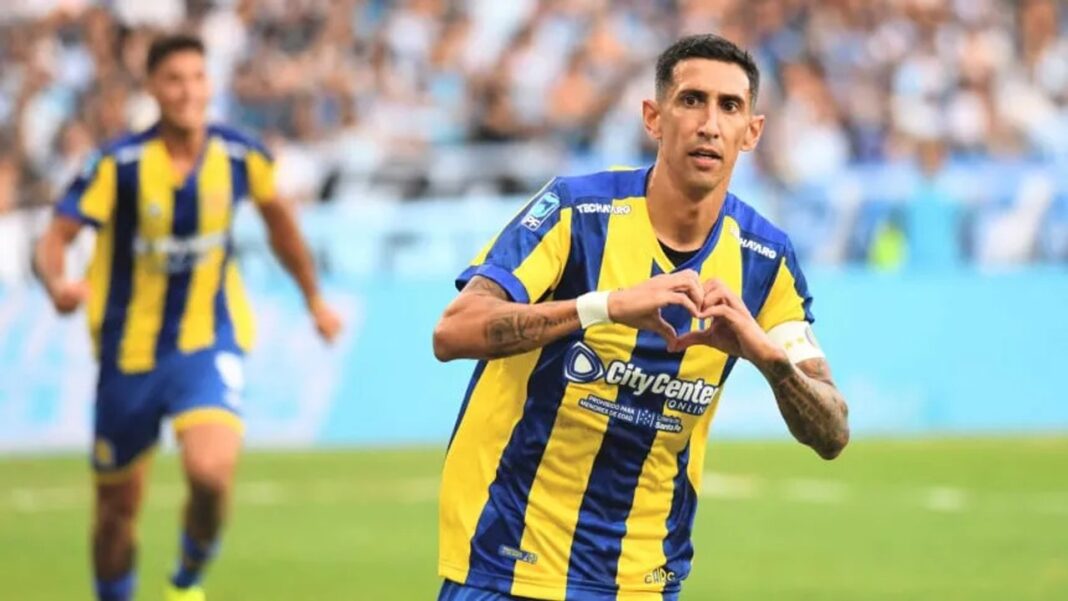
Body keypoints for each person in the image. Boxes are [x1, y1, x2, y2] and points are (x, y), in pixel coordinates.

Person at [432, 34, 850, 600]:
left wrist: (765, 354)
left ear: (752, 132)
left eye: (729, 107)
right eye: (691, 100)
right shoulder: (576, 212)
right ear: (653, 117)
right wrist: (605, 307)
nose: (709, 124)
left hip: (642, 581)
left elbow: (832, 431)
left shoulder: (765, 260)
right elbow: (453, 331)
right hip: (507, 566)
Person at [34, 34, 342, 601]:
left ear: (210, 84)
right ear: (153, 88)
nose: (187, 91)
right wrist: (57, 285)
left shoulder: (239, 155)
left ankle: (185, 581)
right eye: (174, 80)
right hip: (128, 355)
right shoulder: (118, 164)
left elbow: (282, 227)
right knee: (115, 512)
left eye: (197, 78)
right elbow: (55, 237)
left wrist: (314, 300)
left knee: (210, 474)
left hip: (207, 342)